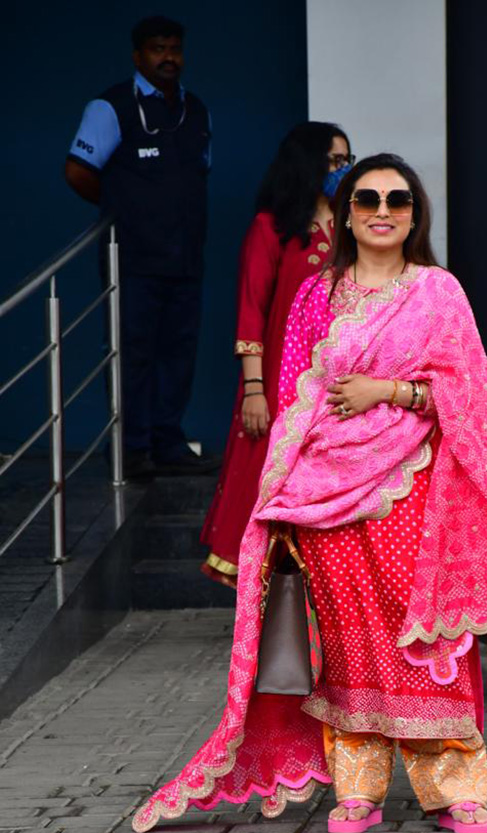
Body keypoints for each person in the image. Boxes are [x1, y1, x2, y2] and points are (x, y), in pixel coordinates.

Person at [132, 154, 487, 833]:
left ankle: (454, 789)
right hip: (326, 493)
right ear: (346, 213)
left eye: (398, 200)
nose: (383, 210)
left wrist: (391, 392)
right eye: (368, 198)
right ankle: (359, 789)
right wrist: (281, 492)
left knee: (427, 635)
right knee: (349, 642)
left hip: (410, 487)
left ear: (416, 215)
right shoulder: (319, 294)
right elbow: (296, 394)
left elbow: (472, 396)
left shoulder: (438, 292)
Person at [200, 122, 353, 588]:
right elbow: (252, 311)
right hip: (279, 385)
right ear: (306, 163)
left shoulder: (353, 225)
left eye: (348, 160)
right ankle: (269, 600)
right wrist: (254, 390)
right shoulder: (273, 228)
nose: (343, 170)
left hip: (339, 384)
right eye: (333, 161)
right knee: (269, 481)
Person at [65, 15, 218, 479]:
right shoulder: (110, 107)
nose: (168, 57)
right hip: (132, 258)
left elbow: (199, 173)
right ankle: (132, 450)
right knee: (134, 352)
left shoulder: (196, 110)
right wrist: (123, 207)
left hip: (186, 256)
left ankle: (168, 442)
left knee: (179, 351)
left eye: (174, 48)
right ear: (138, 56)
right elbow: (78, 172)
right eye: (157, 49)